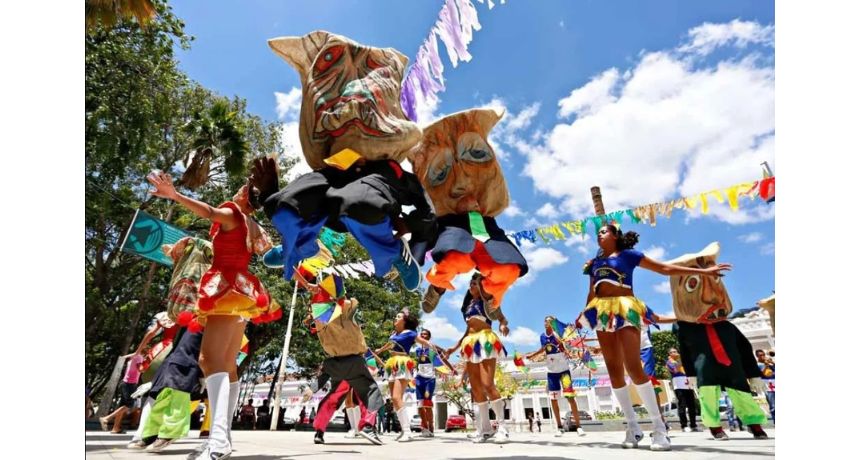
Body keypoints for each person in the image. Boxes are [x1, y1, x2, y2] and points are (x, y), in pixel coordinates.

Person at [147, 171, 281, 460]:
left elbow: (208, 211)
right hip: (243, 290)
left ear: (245, 195)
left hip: (226, 289)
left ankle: (219, 442)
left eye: (239, 189)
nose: (234, 193)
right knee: (228, 365)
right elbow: (271, 257)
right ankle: (223, 439)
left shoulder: (233, 213)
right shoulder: (254, 226)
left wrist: (174, 195)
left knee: (209, 360)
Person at [575, 223, 730, 451]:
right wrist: (585, 314)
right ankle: (632, 426)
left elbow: (664, 269)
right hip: (600, 311)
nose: (599, 234)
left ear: (616, 236)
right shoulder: (594, 263)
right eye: (598, 233)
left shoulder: (629, 255)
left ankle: (659, 428)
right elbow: (592, 292)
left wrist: (702, 271)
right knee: (613, 369)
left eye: (604, 231)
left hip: (625, 307)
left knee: (633, 366)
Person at [304, 279, 383, 446]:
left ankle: (319, 430)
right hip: (353, 362)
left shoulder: (319, 317)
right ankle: (368, 426)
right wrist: (328, 288)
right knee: (371, 392)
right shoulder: (345, 308)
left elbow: (316, 309)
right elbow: (348, 301)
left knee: (332, 398)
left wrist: (318, 291)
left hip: (333, 364)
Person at [446, 273, 511, 444]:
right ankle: (484, 429)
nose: (471, 285)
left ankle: (502, 428)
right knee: (476, 389)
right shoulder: (469, 306)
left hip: (485, 339)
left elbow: (502, 318)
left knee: (488, 385)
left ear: (482, 285)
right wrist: (454, 347)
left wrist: (503, 325)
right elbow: (468, 330)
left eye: (474, 282)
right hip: (470, 342)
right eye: (470, 283)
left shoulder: (488, 300)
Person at [374, 309, 441, 442]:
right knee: (393, 399)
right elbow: (390, 344)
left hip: (402, 363)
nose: (395, 318)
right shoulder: (394, 334)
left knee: (396, 397)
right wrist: (380, 350)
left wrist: (435, 349)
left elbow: (423, 341)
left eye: (398, 317)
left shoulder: (410, 333)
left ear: (404, 321)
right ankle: (404, 430)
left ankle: (407, 431)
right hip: (392, 364)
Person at [524, 316, 586, 438]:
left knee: (570, 397)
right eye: (545, 320)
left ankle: (579, 427)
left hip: (564, 371)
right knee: (553, 399)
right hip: (552, 372)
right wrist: (533, 355)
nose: (546, 322)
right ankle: (559, 427)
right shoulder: (542, 336)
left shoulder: (559, 334)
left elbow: (567, 340)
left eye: (549, 320)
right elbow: (544, 349)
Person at [412, 328, 457, 437]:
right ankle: (424, 427)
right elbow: (414, 365)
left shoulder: (433, 350)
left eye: (425, 334)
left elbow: (443, 360)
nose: (423, 336)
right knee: (420, 404)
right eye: (421, 334)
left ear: (429, 337)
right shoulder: (417, 351)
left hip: (430, 379)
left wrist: (452, 369)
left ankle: (431, 427)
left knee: (427, 404)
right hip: (419, 379)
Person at [100, 352, 146, 434]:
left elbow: (125, 359)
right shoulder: (139, 357)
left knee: (122, 406)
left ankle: (116, 428)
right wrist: (147, 365)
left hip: (126, 384)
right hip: (130, 384)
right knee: (129, 405)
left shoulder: (134, 356)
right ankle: (106, 418)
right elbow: (141, 369)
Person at [666, 348, 698, 432]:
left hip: (688, 384)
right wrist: (679, 361)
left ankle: (693, 425)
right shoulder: (669, 362)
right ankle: (684, 425)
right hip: (679, 385)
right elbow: (675, 370)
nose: (674, 353)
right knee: (682, 405)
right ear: (669, 354)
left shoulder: (683, 361)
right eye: (672, 352)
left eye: (675, 351)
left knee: (692, 405)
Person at [756, 349, 775, 422]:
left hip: (775, 383)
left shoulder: (768, 363)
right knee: (773, 406)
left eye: (764, 354)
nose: (763, 356)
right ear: (757, 357)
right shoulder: (758, 365)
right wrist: (766, 366)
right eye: (761, 355)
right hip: (768, 387)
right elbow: (761, 374)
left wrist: (772, 362)